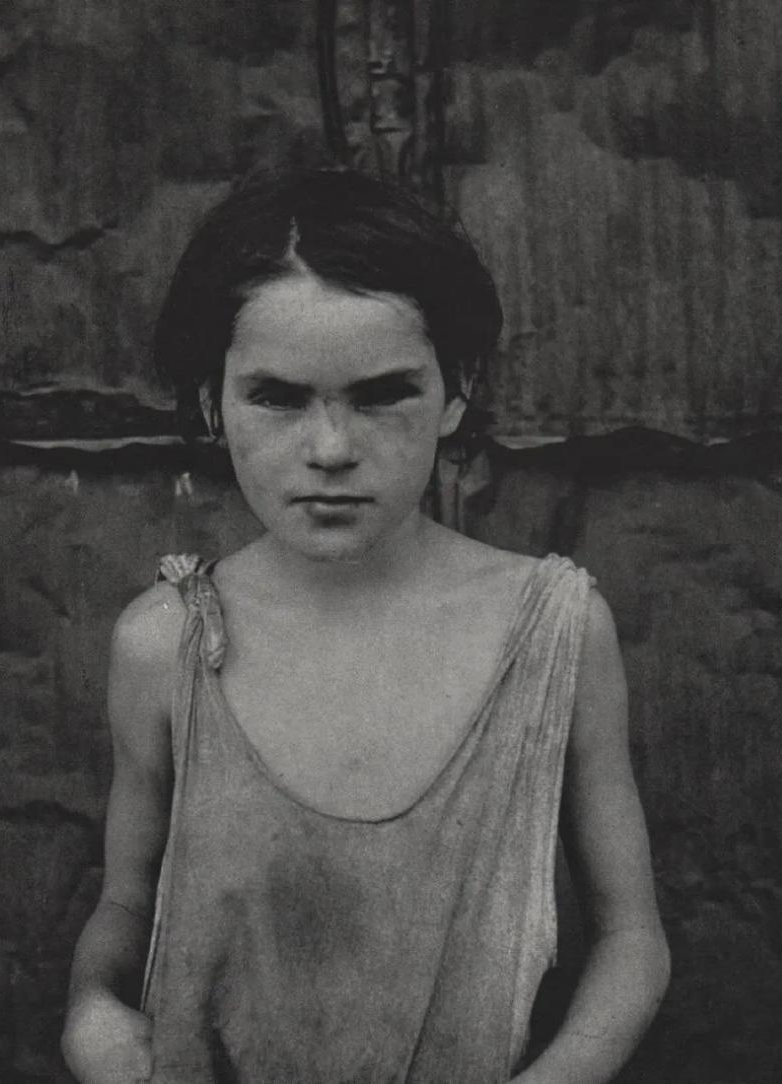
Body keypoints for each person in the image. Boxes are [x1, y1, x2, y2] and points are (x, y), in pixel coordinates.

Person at [61, 168, 670, 1083]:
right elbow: (126, 902)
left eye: (383, 393)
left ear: (456, 391)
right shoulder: (165, 645)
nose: (333, 449)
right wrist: (93, 1013)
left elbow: (632, 936)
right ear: (207, 403)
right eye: (277, 396)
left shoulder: (553, 632)